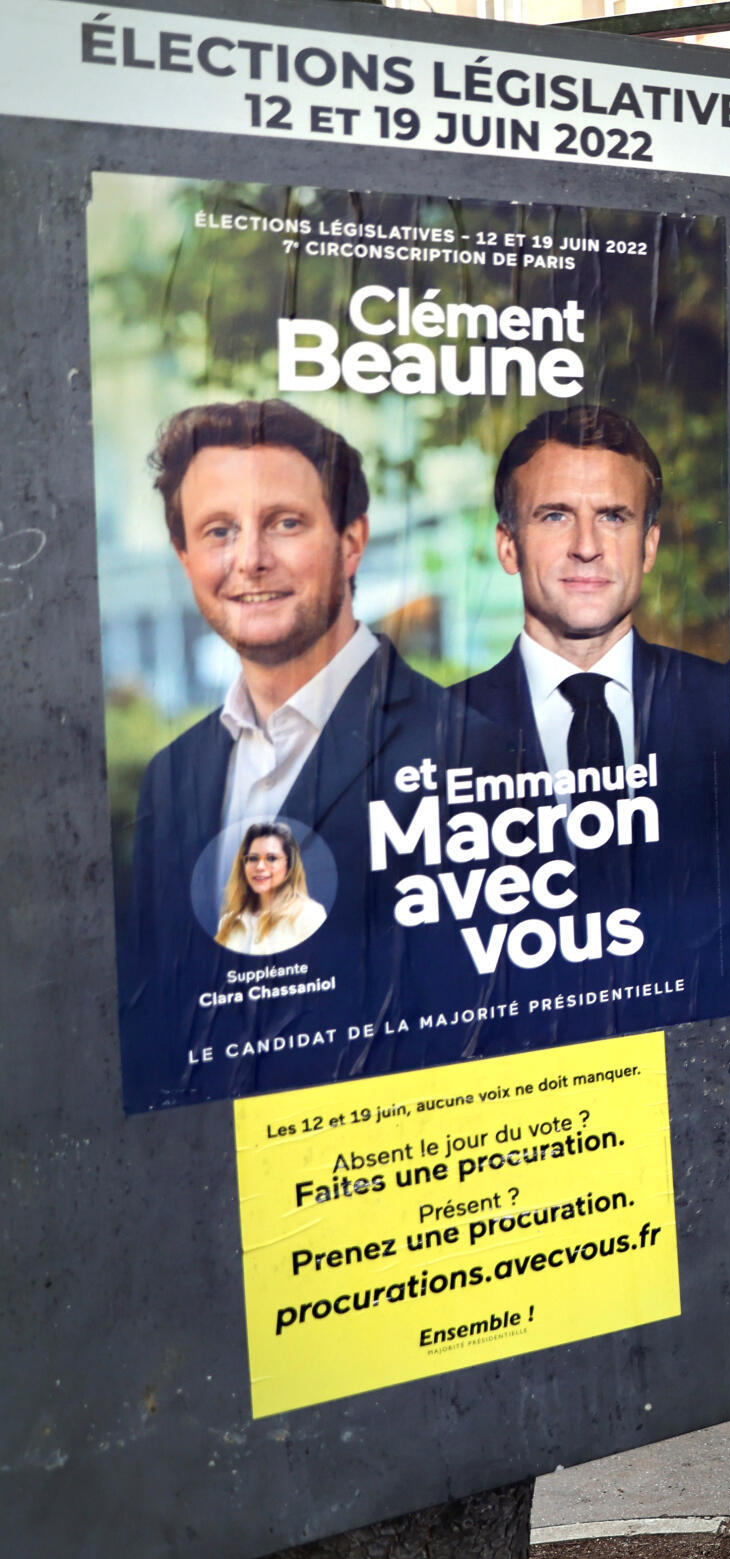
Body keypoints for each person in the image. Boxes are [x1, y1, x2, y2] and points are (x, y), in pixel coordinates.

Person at [118, 400, 512, 1114]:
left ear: (352, 541)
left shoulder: (472, 751)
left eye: (285, 522)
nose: (249, 559)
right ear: (185, 558)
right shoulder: (170, 779)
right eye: (218, 531)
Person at [452, 404, 730, 1032]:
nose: (587, 546)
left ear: (649, 546)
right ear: (508, 545)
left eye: (613, 516)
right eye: (555, 516)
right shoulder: (429, 739)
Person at [212, 820, 328, 956]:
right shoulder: (228, 923)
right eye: (253, 858)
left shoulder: (309, 915)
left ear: (289, 865)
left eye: (271, 858)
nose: (260, 866)